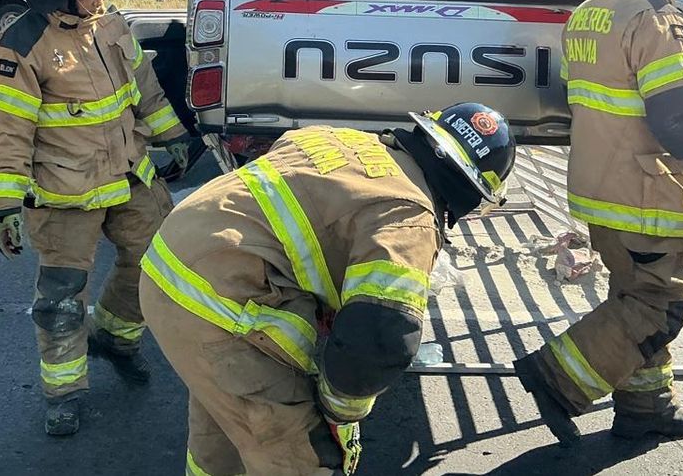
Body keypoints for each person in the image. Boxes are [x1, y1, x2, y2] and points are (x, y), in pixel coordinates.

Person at [140, 104, 517, 476]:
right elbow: (382, 338)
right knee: (302, 454)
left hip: (167, 267)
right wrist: (339, 412)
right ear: (469, 190)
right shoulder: (409, 218)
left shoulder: (340, 139)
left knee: (225, 429)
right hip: (223, 307)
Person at [512, 0, 683, 446]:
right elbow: (678, 118)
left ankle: (647, 406)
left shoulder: (589, 13)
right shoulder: (657, 19)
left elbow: (577, 95)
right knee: (660, 305)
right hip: (645, 194)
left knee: (633, 297)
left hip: (599, 192)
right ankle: (556, 377)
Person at [0, 0, 190, 437]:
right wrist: (3, 203)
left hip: (130, 178)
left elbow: (145, 91)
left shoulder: (111, 26)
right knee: (60, 302)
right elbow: (8, 131)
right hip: (63, 194)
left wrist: (172, 139)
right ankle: (63, 394)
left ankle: (116, 337)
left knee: (159, 265)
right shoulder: (22, 45)